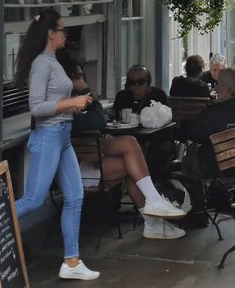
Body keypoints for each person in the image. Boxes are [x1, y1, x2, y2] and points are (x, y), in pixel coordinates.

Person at [0, 10, 116, 281]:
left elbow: (54, 104)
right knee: (34, 199)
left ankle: (71, 261)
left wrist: (77, 107)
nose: (66, 34)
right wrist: (71, 102)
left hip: (62, 136)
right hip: (47, 137)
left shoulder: (53, 62)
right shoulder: (42, 64)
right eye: (62, 30)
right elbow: (36, 107)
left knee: (75, 196)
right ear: (50, 33)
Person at [63, 66, 185, 239]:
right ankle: (153, 215)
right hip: (73, 170)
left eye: (82, 76)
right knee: (132, 162)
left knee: (130, 146)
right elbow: (98, 121)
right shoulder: (64, 106)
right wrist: (87, 92)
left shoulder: (71, 104)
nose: (82, 80)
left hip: (83, 160)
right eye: (79, 77)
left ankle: (153, 216)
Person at [182, 67, 235, 179]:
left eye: (218, 84)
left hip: (211, 166)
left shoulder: (214, 112)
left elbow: (193, 134)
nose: (216, 87)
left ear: (227, 89)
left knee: (188, 153)